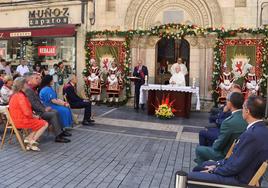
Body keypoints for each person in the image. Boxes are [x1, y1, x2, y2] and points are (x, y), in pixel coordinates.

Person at [188, 96, 268, 186]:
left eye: (243, 107)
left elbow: (234, 167)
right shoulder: (262, 130)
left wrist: (214, 170)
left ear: (247, 111)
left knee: (189, 177)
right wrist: (217, 165)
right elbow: (237, 159)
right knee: (199, 168)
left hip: (238, 180)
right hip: (239, 173)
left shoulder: (252, 135)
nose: (241, 110)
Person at [195, 92, 247, 165]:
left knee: (199, 149)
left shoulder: (229, 122)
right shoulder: (246, 117)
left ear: (230, 103)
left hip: (225, 154)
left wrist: (215, 144)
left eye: (227, 100)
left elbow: (218, 146)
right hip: (238, 152)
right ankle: (205, 165)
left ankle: (201, 172)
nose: (226, 102)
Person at [24, 72, 71, 143]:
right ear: (30, 80)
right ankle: (58, 136)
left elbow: (38, 102)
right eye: (36, 78)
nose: (38, 80)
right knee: (53, 114)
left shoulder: (32, 89)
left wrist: (44, 108)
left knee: (56, 111)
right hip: (36, 112)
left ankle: (60, 132)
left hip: (39, 110)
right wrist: (44, 109)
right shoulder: (29, 90)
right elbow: (34, 104)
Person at [9, 77, 48, 151]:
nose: (28, 84)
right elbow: (27, 112)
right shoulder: (20, 96)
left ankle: (29, 140)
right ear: (23, 85)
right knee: (44, 123)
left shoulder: (16, 94)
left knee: (39, 122)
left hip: (18, 119)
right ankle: (31, 141)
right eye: (26, 83)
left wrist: (34, 116)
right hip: (21, 120)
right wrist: (34, 116)